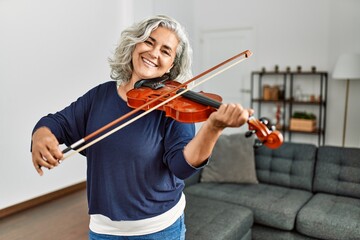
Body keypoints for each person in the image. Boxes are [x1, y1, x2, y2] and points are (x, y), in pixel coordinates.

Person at [31, 15, 253, 240]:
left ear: (172, 65)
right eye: (149, 41)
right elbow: (55, 123)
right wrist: (41, 136)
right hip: (103, 231)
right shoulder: (101, 96)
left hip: (159, 230)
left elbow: (181, 167)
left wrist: (213, 127)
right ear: (135, 43)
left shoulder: (174, 105)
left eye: (166, 51)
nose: (154, 53)